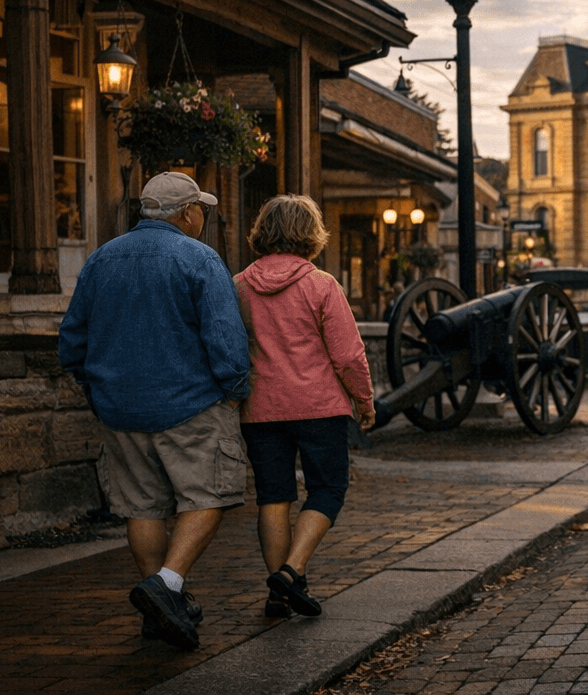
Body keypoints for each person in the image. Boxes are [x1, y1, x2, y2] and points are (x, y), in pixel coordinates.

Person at [58, 172, 250, 651]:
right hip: (190, 403)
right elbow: (226, 340)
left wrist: (95, 388)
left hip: (119, 407)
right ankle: (166, 585)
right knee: (207, 497)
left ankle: (160, 608)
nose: (202, 216)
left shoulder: (102, 258)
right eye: (200, 208)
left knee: (140, 507)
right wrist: (234, 391)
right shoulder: (200, 258)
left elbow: (72, 338)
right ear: (186, 213)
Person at [232, 195, 375, 619]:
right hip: (319, 406)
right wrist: (364, 400)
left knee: (273, 497)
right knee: (327, 489)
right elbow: (348, 355)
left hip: (261, 408)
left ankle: (279, 594)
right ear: (311, 234)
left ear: (262, 230)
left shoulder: (238, 286)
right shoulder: (321, 285)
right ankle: (292, 571)